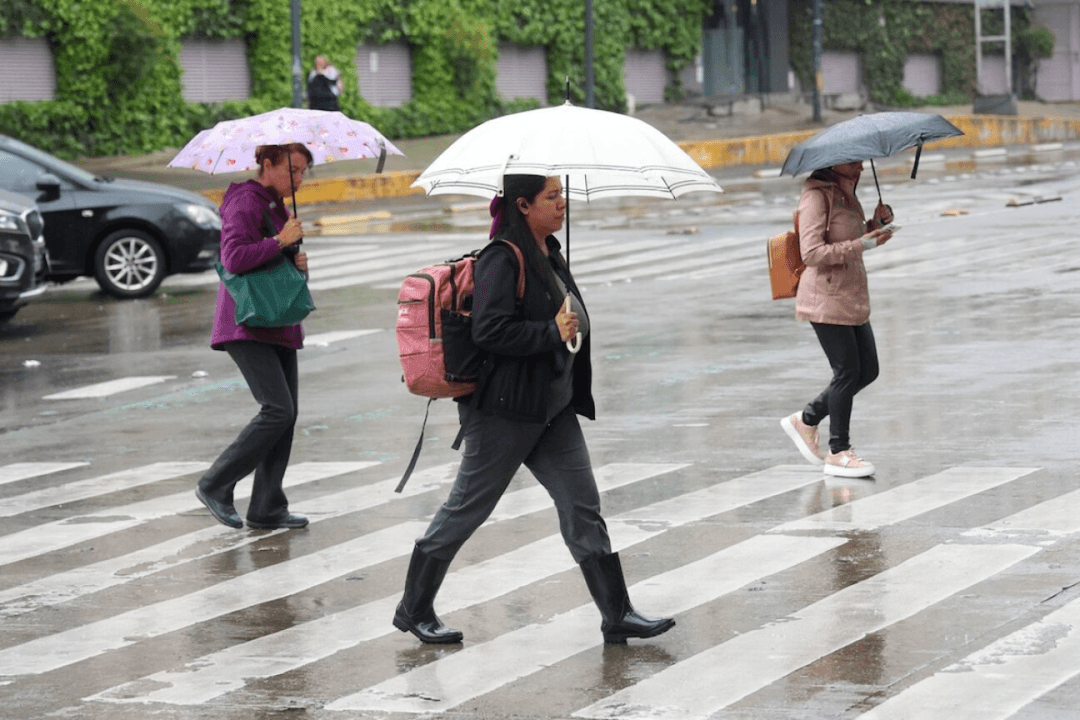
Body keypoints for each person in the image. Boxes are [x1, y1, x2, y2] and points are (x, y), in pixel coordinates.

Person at [393, 174, 675, 645]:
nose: (563, 204)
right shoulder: (503, 258)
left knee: (583, 507)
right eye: (552, 197)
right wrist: (551, 331)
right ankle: (414, 607)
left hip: (552, 409)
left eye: (561, 194)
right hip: (505, 412)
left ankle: (617, 613)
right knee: (466, 509)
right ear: (523, 205)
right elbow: (490, 331)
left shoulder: (549, 252)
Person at [195, 143, 313, 530]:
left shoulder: (277, 206)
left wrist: (296, 259)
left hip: (275, 320)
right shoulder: (246, 201)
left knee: (286, 415)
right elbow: (234, 257)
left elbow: (277, 268)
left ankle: (267, 507)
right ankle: (215, 484)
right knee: (277, 410)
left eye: (302, 173)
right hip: (247, 323)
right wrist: (280, 242)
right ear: (266, 165)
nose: (297, 179)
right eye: (292, 170)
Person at [780, 161, 894, 479]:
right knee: (847, 372)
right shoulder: (817, 196)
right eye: (853, 158)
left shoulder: (845, 193)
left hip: (852, 294)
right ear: (834, 161)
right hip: (826, 298)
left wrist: (875, 224)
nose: (859, 164)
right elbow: (812, 253)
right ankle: (838, 451)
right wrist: (864, 243)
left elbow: (849, 237)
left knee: (867, 370)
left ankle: (806, 418)